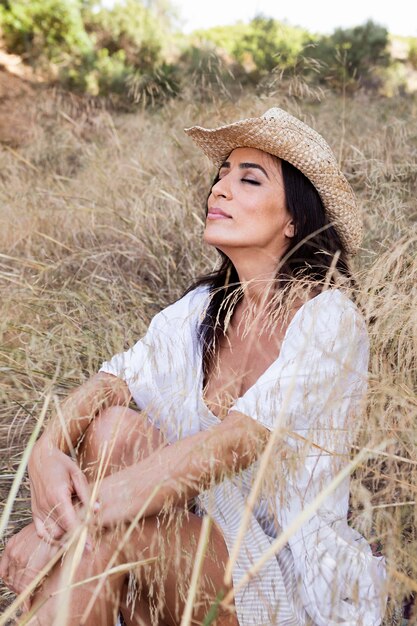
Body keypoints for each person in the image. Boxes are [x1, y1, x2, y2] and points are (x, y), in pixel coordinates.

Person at [0, 107, 386, 626]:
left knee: (120, 529)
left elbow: (233, 444)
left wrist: (53, 528)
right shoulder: (206, 305)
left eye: (248, 179)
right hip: (202, 525)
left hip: (281, 569)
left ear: (294, 217)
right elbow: (114, 380)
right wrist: (46, 451)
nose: (220, 189)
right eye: (221, 174)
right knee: (113, 428)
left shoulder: (328, 319)